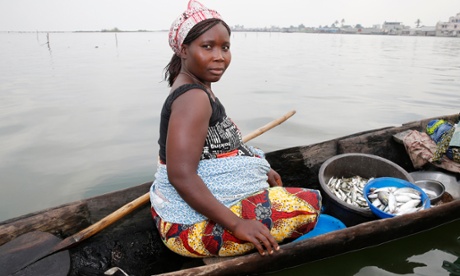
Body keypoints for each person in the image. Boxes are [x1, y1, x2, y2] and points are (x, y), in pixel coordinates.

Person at [150, 0, 322, 258]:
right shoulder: (193, 98)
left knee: (276, 188)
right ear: (184, 50)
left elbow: (215, 151)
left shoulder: (197, 85)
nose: (219, 56)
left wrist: (259, 166)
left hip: (172, 210)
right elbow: (181, 175)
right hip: (183, 228)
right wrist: (237, 224)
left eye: (225, 47)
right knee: (308, 206)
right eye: (207, 47)